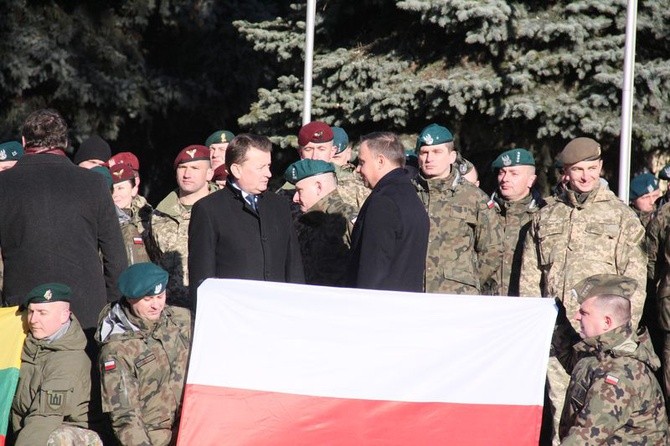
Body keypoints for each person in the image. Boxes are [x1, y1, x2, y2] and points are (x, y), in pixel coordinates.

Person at [520, 137, 647, 443]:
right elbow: (530, 275)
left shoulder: (621, 217)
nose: (586, 176)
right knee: (559, 405)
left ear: (601, 167)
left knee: (599, 411)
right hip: (558, 333)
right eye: (578, 169)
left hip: (604, 337)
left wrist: (620, 331)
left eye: (592, 168)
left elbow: (635, 281)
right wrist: (534, 325)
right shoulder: (546, 216)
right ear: (565, 172)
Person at [0, 109, 126, 333]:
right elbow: (115, 256)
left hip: (23, 312)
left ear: (23, 142)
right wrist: (113, 307)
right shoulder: (93, 184)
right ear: (65, 142)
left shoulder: (4, 185)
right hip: (85, 312)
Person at [189, 134, 304, 303]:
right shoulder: (209, 209)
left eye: (269, 166)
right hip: (233, 316)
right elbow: (202, 277)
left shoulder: (279, 205)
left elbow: (294, 266)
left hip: (277, 311)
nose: (269, 173)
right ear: (237, 169)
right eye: (260, 167)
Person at [558, 274, 668, 444]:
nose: (577, 317)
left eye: (584, 312)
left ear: (607, 322)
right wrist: (555, 318)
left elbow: (586, 437)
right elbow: (573, 360)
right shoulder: (600, 353)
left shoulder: (620, 375)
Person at [96, 262, 191, 446]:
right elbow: (125, 416)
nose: (157, 305)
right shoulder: (116, 350)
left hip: (191, 425)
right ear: (130, 299)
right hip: (154, 437)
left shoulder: (180, 321)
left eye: (160, 296)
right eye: (148, 299)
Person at [413, 123, 503, 294]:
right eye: (424, 153)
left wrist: (469, 281)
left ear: (452, 156)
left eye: (437, 152)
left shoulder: (473, 197)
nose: (429, 158)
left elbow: (492, 249)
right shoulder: (407, 194)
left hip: (457, 295)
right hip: (414, 292)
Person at [11, 283, 102, 446]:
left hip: (66, 430)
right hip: (26, 427)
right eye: (31, 312)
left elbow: (44, 419)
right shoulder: (28, 344)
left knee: (55, 439)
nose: (33, 320)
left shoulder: (68, 362)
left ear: (64, 316)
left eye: (42, 313)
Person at [347, 131, 429, 292]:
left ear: (380, 161)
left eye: (362, 162)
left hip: (380, 307)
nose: (358, 169)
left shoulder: (384, 201)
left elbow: (373, 267)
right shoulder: (411, 196)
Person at [147, 144, 215, 308]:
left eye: (195, 168)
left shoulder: (223, 210)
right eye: (182, 167)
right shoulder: (159, 214)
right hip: (171, 311)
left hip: (212, 305)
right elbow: (153, 259)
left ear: (209, 173)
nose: (187, 174)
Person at [284, 159, 357, 286]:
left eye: (299, 190)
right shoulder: (304, 221)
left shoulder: (348, 217)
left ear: (318, 187)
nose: (295, 198)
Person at [489, 148, 545, 296]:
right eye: (502, 172)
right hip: (487, 301)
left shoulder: (543, 215)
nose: (505, 178)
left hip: (525, 303)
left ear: (531, 180)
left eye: (514, 173)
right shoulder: (484, 211)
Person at [110, 163, 151, 265]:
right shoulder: (104, 222)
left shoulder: (148, 221)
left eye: (120, 188)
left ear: (134, 190)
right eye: (112, 189)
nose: (115, 195)